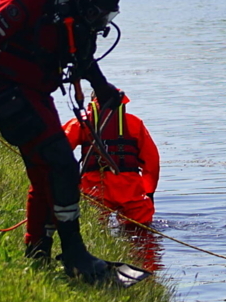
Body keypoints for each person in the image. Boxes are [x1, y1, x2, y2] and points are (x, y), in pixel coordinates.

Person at [0, 0, 130, 282]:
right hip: (6, 89)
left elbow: (82, 57)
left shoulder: (77, 15)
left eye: (106, 16)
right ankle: (74, 252)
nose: (99, 20)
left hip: (36, 94)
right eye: (98, 12)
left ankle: (38, 251)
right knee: (62, 166)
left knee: (46, 172)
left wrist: (103, 87)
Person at [63, 91, 162, 271]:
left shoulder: (81, 123)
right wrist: (149, 192)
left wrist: (68, 181)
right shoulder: (134, 123)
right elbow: (152, 162)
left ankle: (99, 268)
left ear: (93, 101)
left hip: (94, 190)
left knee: (94, 233)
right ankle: (146, 273)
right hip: (131, 190)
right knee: (141, 236)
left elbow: (59, 150)